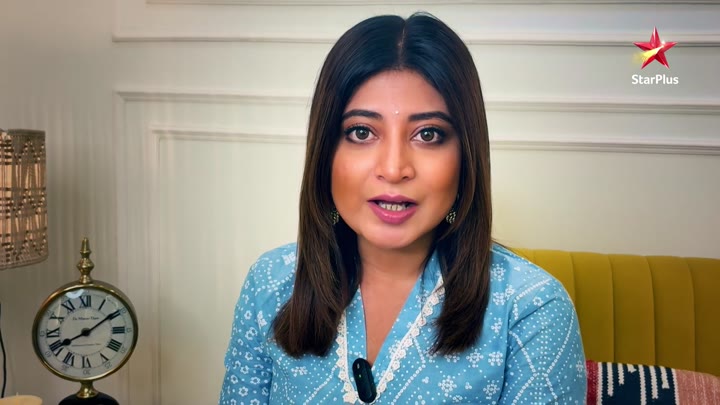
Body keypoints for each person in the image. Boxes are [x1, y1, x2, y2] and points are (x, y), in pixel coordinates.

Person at [219, 12, 586, 404]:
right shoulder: (271, 284)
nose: (394, 169)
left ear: (466, 155)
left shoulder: (531, 309)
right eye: (361, 132)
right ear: (326, 152)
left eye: (428, 134)